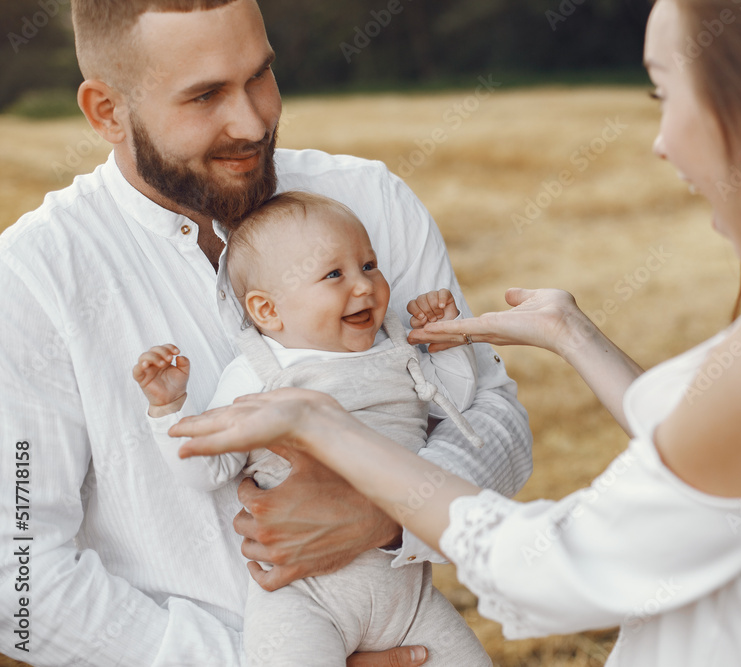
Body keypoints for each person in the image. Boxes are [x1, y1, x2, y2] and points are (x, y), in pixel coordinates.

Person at [172, 0, 741, 664]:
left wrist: (321, 422)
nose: (660, 142)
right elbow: (735, 463)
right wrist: (571, 332)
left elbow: (550, 572)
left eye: (664, 93)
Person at [0, 0, 531, 664]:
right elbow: (17, 578)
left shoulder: (371, 199)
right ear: (107, 111)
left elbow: (497, 419)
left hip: (408, 629)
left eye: (260, 75)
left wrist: (394, 511)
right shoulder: (30, 279)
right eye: (205, 95)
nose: (253, 120)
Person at [133, 191, 490, 666]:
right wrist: (170, 409)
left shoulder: (395, 349)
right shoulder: (257, 373)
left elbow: (456, 404)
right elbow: (208, 471)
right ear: (267, 311)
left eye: (368, 265)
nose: (363, 286)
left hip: (407, 597)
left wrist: (448, 344)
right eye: (334, 275)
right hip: (303, 597)